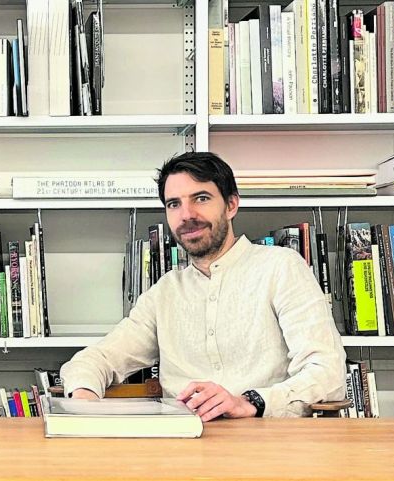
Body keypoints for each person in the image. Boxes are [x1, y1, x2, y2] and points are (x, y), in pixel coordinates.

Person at [60, 152, 346, 420]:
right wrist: (84, 399)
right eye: (174, 204)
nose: (186, 215)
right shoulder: (166, 292)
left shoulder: (280, 267)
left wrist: (250, 402)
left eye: (201, 198)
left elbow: (328, 374)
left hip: (269, 446)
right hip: (183, 449)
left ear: (231, 204)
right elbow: (95, 359)